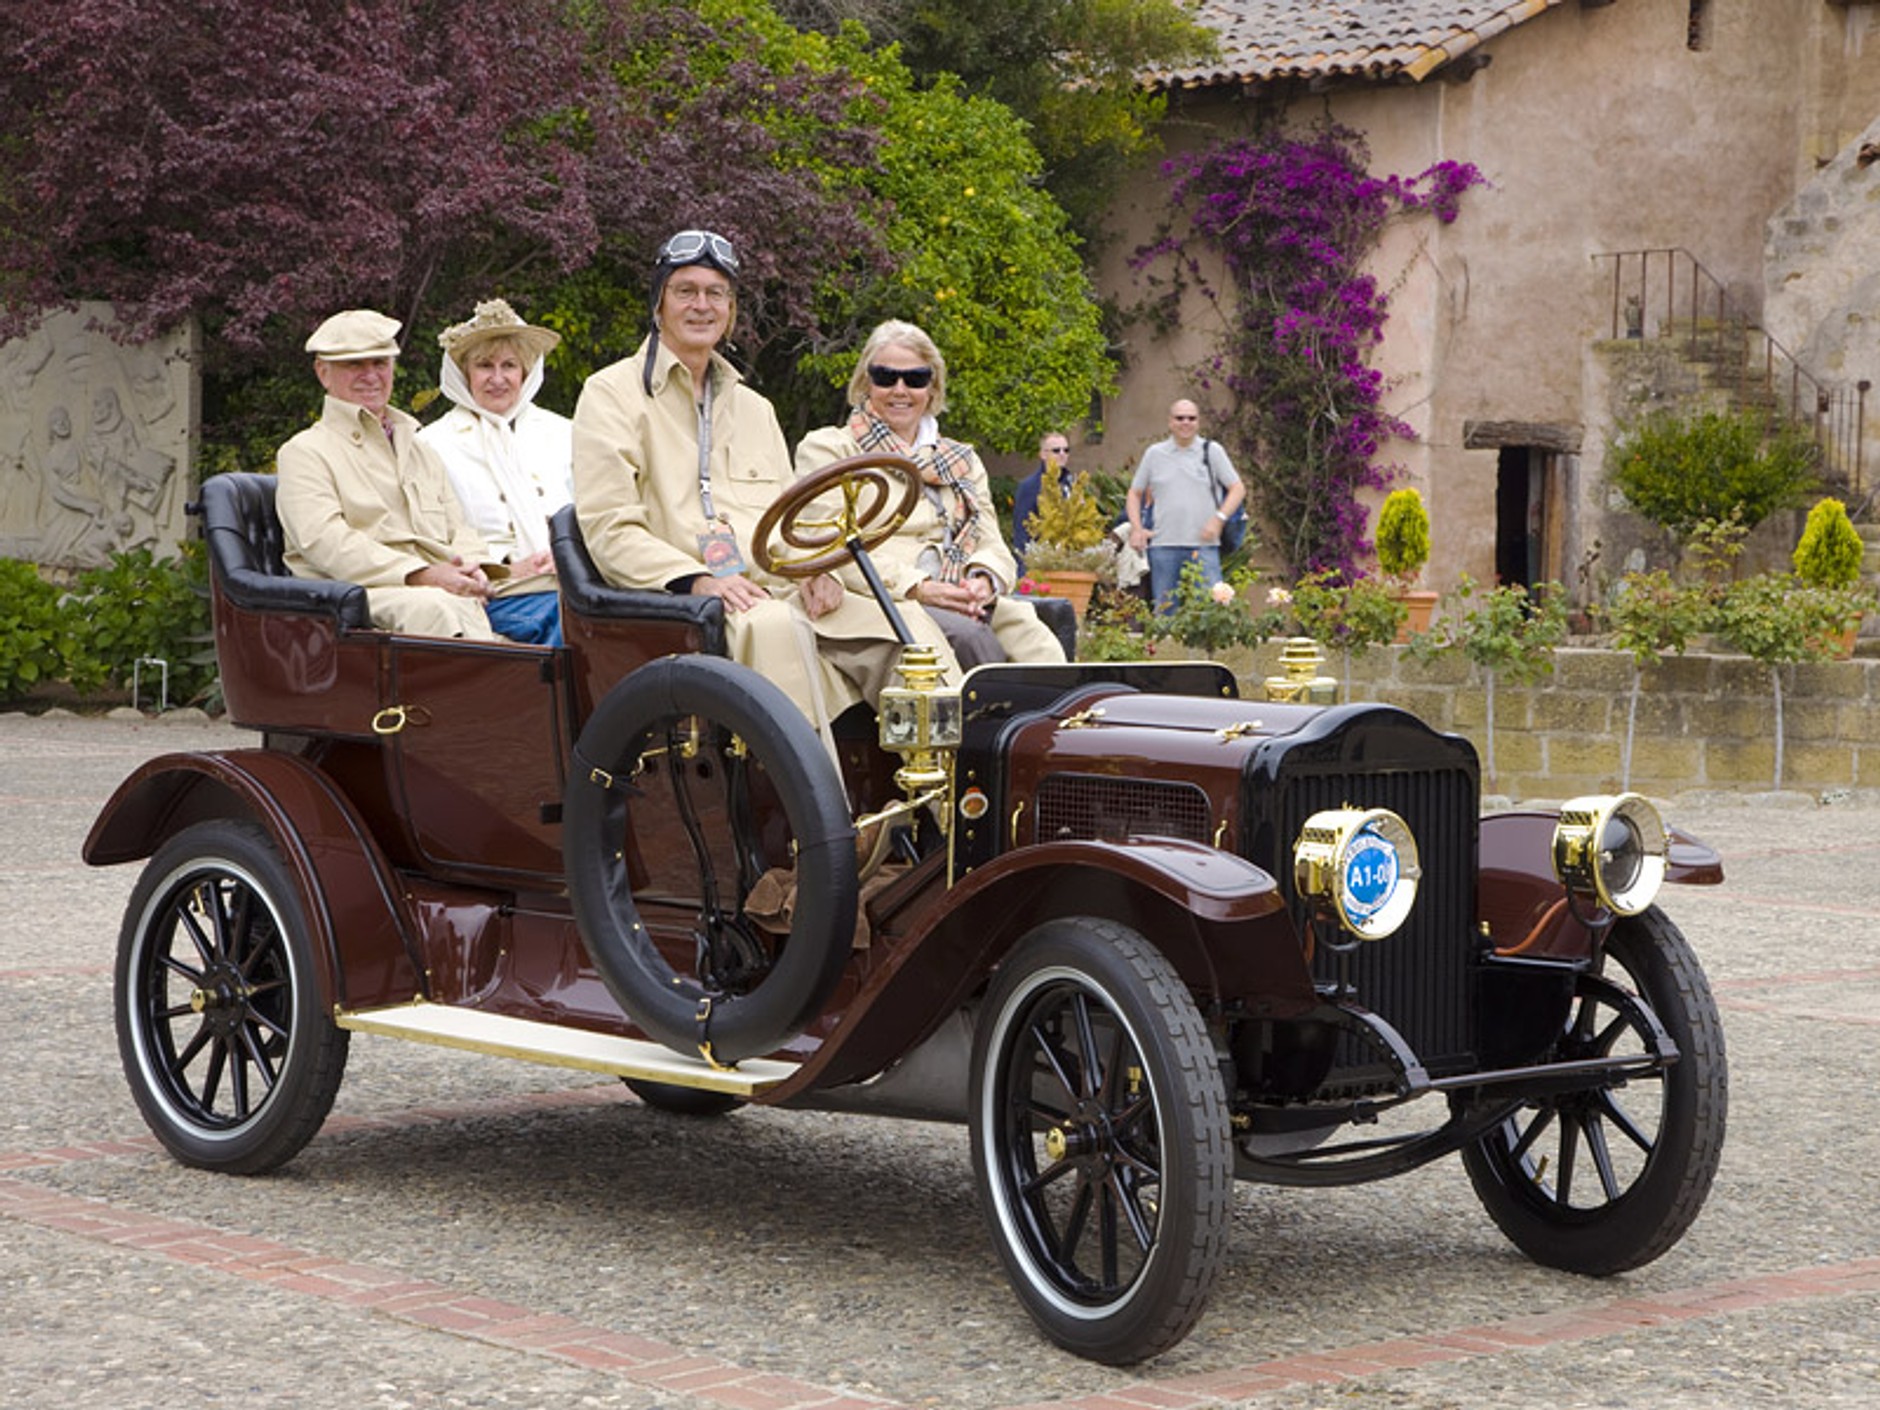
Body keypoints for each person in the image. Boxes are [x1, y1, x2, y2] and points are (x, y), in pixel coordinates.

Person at [571, 231, 961, 744]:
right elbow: (610, 529)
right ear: (658, 304)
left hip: (778, 586)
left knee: (907, 631)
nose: (702, 305)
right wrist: (696, 580)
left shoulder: (756, 409)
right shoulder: (610, 394)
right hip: (691, 606)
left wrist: (817, 568)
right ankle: (810, 798)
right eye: (685, 291)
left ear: (731, 310)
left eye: (716, 293)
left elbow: (790, 518)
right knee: (775, 626)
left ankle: (940, 786)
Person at [794, 321, 1063, 669]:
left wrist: (982, 579)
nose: (900, 390)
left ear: (932, 389)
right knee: (971, 639)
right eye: (885, 377)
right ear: (865, 383)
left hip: (959, 592)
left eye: (915, 378)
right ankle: (991, 707)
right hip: (883, 600)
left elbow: (992, 543)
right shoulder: (830, 449)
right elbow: (828, 545)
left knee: (1039, 645)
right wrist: (918, 586)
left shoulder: (960, 459)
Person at [276, 308, 499, 640]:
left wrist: (473, 568)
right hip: (357, 595)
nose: (371, 375)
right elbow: (326, 543)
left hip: (443, 590)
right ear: (323, 373)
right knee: (437, 609)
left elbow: (459, 527)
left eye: (380, 363)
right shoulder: (305, 452)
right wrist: (422, 575)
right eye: (355, 364)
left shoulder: (420, 449)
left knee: (553, 601)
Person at [418, 299, 570, 646]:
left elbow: (593, 512)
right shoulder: (431, 444)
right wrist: (508, 569)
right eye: (485, 366)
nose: (498, 378)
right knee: (566, 620)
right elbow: (431, 538)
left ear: (525, 373)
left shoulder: (564, 433)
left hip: (572, 580)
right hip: (492, 592)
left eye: (509, 366)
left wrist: (567, 557)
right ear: (464, 374)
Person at [1125, 398, 1246, 614]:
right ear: (1170, 422)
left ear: (1198, 422)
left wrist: (1219, 519)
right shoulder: (1155, 454)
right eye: (1180, 418)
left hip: (1204, 547)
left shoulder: (1212, 451)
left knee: (1210, 613)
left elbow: (1237, 488)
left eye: (1191, 418)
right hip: (1163, 546)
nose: (1186, 423)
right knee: (1165, 615)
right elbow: (1134, 493)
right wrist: (1136, 528)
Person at [1009, 430, 1073, 575]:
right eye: (1056, 450)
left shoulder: (1071, 484)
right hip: (1040, 563)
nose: (1062, 454)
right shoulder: (1030, 487)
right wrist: (1024, 571)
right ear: (1043, 454)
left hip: (1069, 563)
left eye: (1066, 450)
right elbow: (1022, 531)